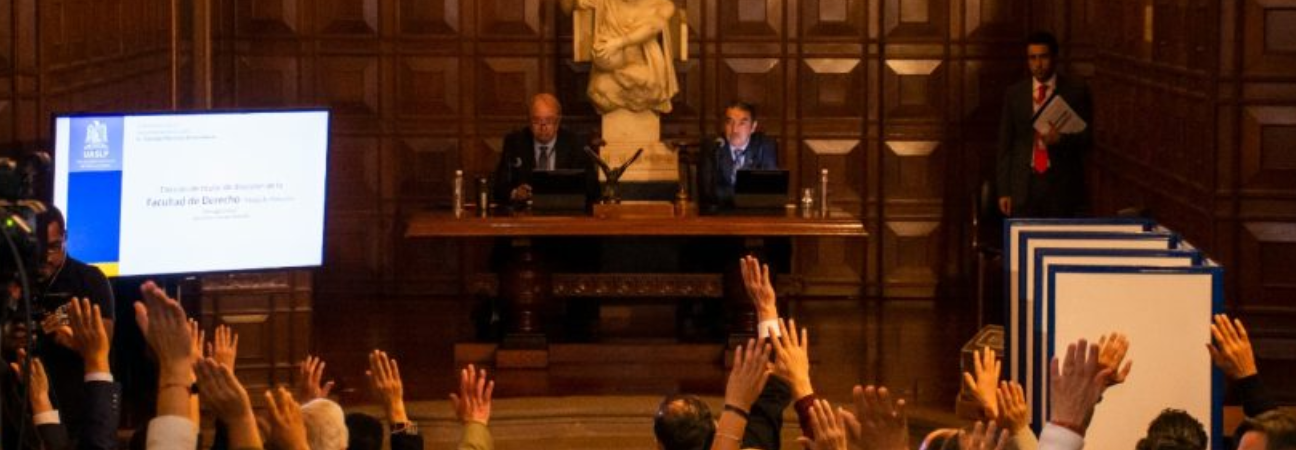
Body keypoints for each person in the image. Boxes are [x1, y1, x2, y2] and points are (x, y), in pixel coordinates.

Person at [32, 207, 115, 439]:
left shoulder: (89, 279)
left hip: (76, 406)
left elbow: (103, 344)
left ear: (65, 238)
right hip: (24, 402)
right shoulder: (15, 280)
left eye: (54, 247)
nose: (47, 257)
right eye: (40, 249)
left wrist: (76, 340)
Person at [996, 31, 1093, 218]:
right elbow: (1005, 145)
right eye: (1032, 58)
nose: (1038, 64)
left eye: (1043, 57)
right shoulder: (1014, 94)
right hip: (1024, 184)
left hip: (1061, 186)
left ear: (1054, 58)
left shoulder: (1075, 92)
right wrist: (1004, 191)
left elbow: (1087, 139)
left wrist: (1061, 139)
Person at [559, 0, 679, 115]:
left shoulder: (662, 5)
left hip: (645, 69)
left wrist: (619, 43)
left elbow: (652, 28)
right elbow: (569, 6)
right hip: (612, 70)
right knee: (598, 90)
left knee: (651, 88)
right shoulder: (607, 2)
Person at [492, 93, 599, 206]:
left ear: (558, 122)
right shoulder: (515, 143)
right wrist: (515, 193)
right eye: (536, 121)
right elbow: (498, 188)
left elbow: (593, 190)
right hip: (525, 213)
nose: (543, 127)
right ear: (529, 122)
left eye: (549, 120)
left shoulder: (575, 144)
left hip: (565, 211)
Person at [699, 102, 779, 210]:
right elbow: (708, 191)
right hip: (720, 214)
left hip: (756, 215)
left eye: (742, 123)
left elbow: (771, 191)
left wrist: (728, 194)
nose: (734, 130)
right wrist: (749, 194)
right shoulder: (713, 146)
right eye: (730, 122)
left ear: (753, 127)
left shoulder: (765, 145)